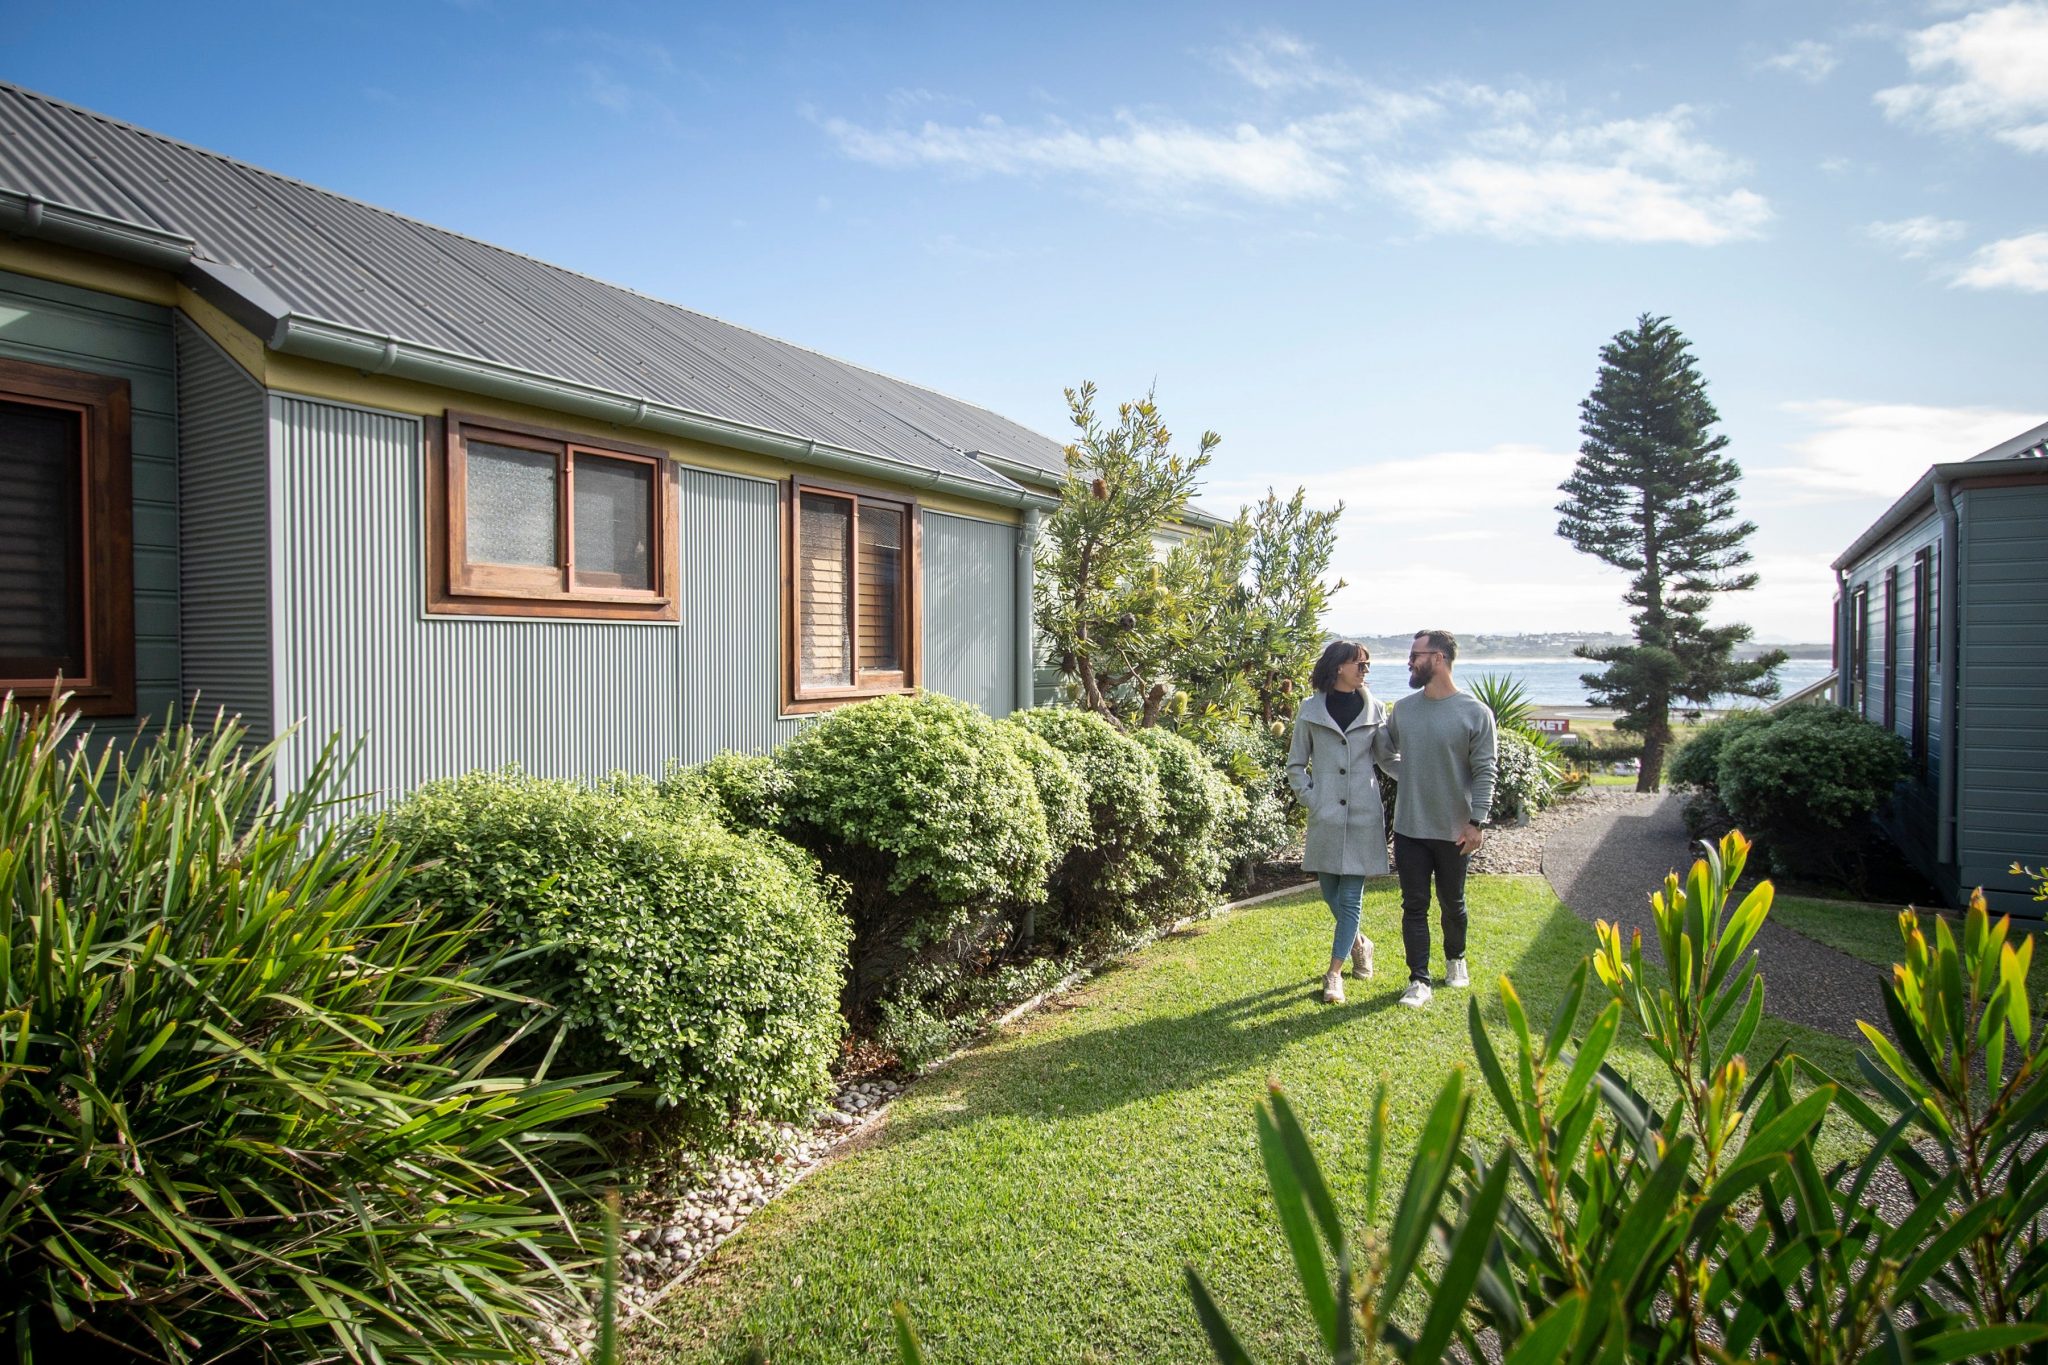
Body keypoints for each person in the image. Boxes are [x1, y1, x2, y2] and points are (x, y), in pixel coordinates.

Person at [1383, 629, 1497, 1009]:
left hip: (1455, 830)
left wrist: (1477, 822)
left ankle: (1456, 959)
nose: (1409, 662)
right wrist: (1408, 775)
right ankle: (1419, 980)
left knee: (1453, 903)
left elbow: (1485, 771)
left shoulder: (1475, 713)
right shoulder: (1404, 710)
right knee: (1414, 905)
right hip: (1410, 828)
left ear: (1439, 658)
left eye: (1415, 655)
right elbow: (1384, 751)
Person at [1286, 639, 1391, 1004]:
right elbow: (1296, 764)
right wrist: (1311, 798)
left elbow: (1386, 759)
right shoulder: (1310, 709)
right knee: (1330, 891)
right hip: (1326, 814)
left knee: (1349, 899)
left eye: (1367, 664)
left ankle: (1333, 975)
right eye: (1359, 664)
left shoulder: (1375, 709)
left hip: (1363, 814)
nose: (1365, 670)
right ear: (1338, 667)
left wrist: (1421, 774)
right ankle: (1361, 943)